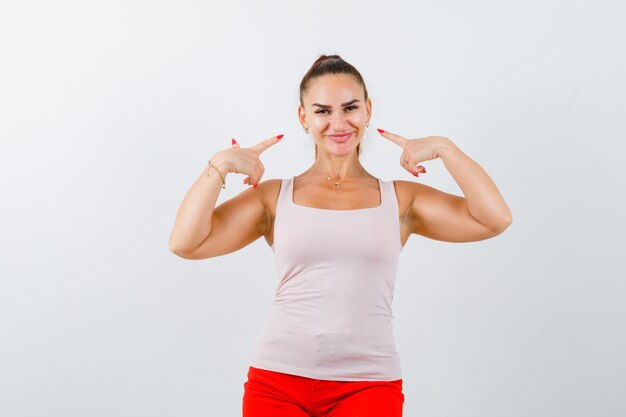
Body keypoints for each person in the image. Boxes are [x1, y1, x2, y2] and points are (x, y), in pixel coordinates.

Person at [169, 54, 513, 417]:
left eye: (350, 108)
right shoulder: (274, 197)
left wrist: (446, 148)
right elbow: (185, 242)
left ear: (367, 110)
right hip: (278, 381)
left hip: (369, 384)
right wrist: (220, 165)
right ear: (304, 117)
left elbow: (494, 219)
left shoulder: (401, 200)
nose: (338, 122)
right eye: (322, 111)